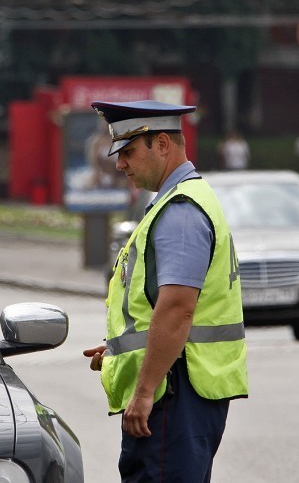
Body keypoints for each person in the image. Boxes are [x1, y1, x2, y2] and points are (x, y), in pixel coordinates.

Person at [82, 99, 248, 482]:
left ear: (162, 144)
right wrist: (121, 346)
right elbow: (159, 305)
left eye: (128, 151)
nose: (120, 163)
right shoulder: (176, 204)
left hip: (173, 392)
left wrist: (143, 392)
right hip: (177, 388)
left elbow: (177, 309)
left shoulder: (181, 212)